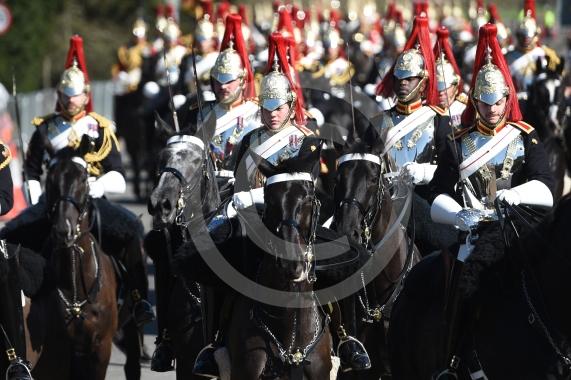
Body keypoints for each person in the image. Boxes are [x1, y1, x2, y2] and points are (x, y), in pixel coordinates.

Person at [0, 35, 155, 328]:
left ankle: (137, 298)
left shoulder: (100, 128)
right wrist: (36, 198)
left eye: (76, 94)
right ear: (59, 94)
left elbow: (118, 175)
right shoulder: (45, 129)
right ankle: (16, 306)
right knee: (11, 235)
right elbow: (31, 170)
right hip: (51, 202)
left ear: (86, 95)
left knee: (132, 229)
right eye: (66, 94)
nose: (70, 100)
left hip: (90, 200)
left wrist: (97, 186)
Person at [192, 31, 319, 378]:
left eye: (277, 107)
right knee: (219, 262)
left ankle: (345, 336)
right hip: (255, 224)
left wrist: (258, 197)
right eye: (265, 107)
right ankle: (216, 341)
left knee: (342, 266)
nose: (271, 113)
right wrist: (238, 202)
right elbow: (237, 181)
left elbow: (312, 189)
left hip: (297, 222)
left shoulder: (306, 142)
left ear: (290, 106)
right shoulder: (250, 138)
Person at [429, 23, 553, 379]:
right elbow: (437, 193)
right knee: (461, 289)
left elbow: (546, 185)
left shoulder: (524, 137)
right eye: (485, 102)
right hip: (474, 234)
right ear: (476, 101)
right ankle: (453, 359)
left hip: (518, 230)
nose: (493, 109)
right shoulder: (457, 141)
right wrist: (458, 216)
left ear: (508, 99)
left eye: (499, 101)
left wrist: (515, 194)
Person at [504, 0, 561, 103]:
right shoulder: (508, 56)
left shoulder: (544, 54)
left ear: (535, 36)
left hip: (539, 100)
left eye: (528, 38)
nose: (526, 41)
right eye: (523, 37)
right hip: (516, 101)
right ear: (518, 36)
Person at [432, 26, 468, 129]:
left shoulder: (464, 108)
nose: (440, 92)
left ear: (455, 87)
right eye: (437, 87)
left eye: (445, 87)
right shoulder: (425, 109)